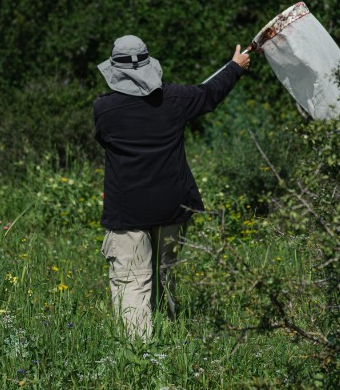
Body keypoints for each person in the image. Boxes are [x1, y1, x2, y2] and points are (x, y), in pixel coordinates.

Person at [94, 35, 250, 340]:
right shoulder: (176, 99)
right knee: (166, 273)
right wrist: (235, 67)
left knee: (132, 281)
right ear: (149, 65)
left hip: (128, 211)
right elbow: (210, 94)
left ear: (116, 70)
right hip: (172, 205)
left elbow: (104, 138)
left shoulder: (104, 109)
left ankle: (140, 353)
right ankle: (169, 332)